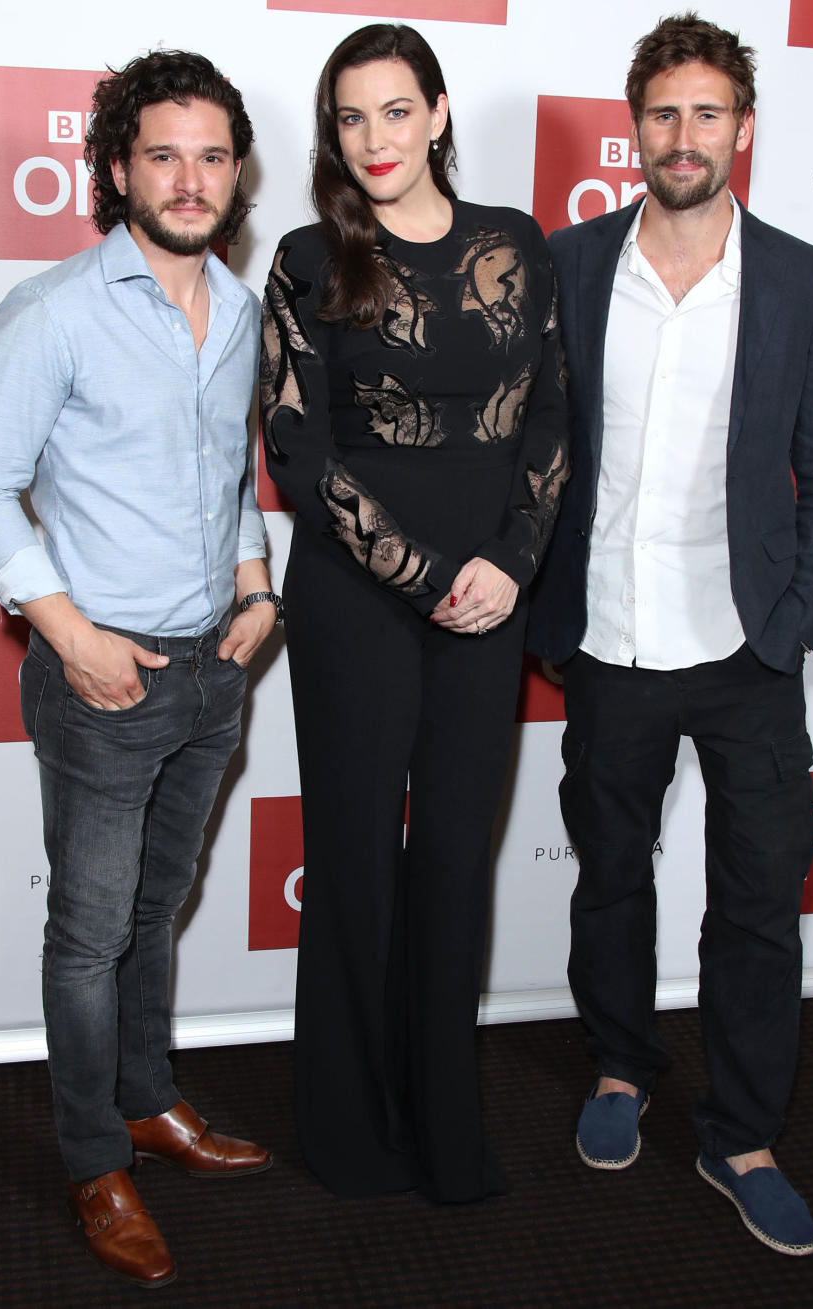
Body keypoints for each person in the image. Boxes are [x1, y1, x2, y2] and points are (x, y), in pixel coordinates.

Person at [529, 12, 813, 1257]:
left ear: (745, 130)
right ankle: (621, 1066)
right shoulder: (565, 266)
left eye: (707, 113)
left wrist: (788, 632)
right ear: (635, 129)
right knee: (611, 881)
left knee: (759, 905)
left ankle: (742, 1133)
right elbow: (534, 457)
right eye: (663, 113)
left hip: (746, 652)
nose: (684, 136)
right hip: (606, 642)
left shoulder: (802, 278)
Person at [0, 50, 278, 1288]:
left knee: (157, 907)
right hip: (102, 678)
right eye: (162, 154)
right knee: (88, 933)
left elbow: (231, 476)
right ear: (116, 168)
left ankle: (150, 1101)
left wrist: (255, 585)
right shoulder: (56, 311)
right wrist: (67, 633)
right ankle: (95, 1156)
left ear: (235, 173)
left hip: (212, 671)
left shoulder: (243, 312)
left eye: (210, 155)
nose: (189, 179)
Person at [260, 23, 568, 1202]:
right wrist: (426, 574)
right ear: (332, 133)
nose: (375, 139)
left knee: (451, 857)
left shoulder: (514, 243)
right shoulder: (305, 256)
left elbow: (548, 421)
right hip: (355, 601)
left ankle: (446, 1129)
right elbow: (298, 449)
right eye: (350, 117)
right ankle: (348, 1132)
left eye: (396, 111)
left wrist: (507, 561)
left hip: (490, 599)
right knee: (352, 859)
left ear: (439, 114)